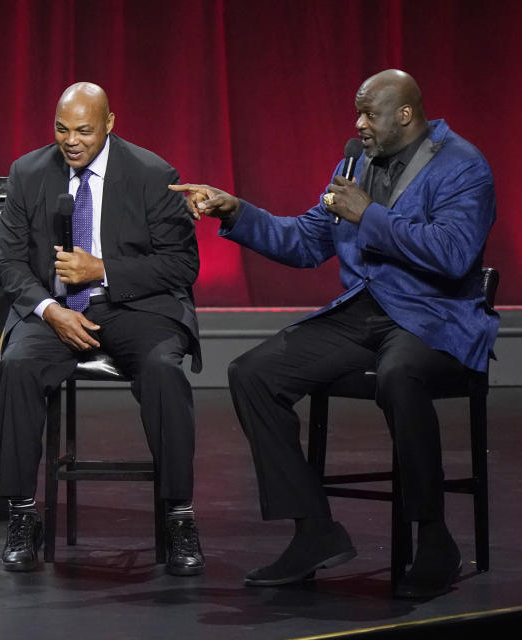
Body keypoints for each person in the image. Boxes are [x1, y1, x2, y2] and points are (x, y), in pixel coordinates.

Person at [170, 69, 497, 598]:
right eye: (357, 112)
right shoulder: (355, 161)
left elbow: (454, 254)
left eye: (370, 113)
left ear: (406, 115)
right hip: (365, 311)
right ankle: (314, 529)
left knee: (400, 376)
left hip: (436, 316)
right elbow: (306, 241)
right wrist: (236, 211)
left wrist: (369, 214)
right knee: (253, 372)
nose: (358, 123)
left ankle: (434, 538)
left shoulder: (463, 165)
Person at [0, 82, 204, 575]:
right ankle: (22, 514)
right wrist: (50, 309)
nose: (71, 141)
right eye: (62, 129)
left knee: (162, 372)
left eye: (84, 130)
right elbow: (9, 262)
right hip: (59, 310)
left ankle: (179, 515)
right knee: (18, 365)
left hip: (135, 308)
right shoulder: (28, 174)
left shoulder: (153, 175)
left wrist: (102, 270)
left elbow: (182, 264)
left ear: (110, 123)